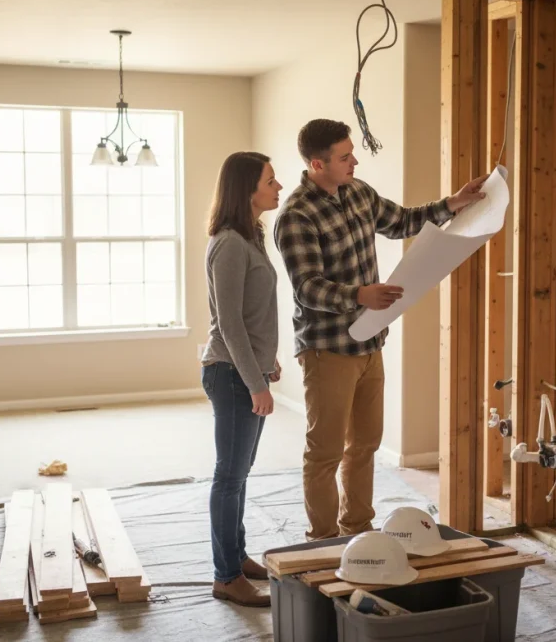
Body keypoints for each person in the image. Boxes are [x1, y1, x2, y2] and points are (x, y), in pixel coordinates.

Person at [274, 119, 486, 541]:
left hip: (371, 342)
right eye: (344, 156)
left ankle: (358, 530)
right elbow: (307, 288)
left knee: (366, 444)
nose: (354, 160)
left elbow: (403, 221)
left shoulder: (358, 192)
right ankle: (323, 538)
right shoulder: (296, 215)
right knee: (326, 452)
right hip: (328, 348)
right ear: (317, 164)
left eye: (352, 152)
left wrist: (453, 203)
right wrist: (360, 295)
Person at [200, 151, 283, 607]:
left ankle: (237, 556)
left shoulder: (252, 236)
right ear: (247, 188)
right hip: (230, 375)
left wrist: (266, 361)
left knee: (239, 474)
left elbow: (253, 316)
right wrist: (256, 383)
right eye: (271, 180)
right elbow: (229, 323)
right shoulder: (229, 242)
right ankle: (225, 576)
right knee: (228, 477)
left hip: (245, 368)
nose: (278, 186)